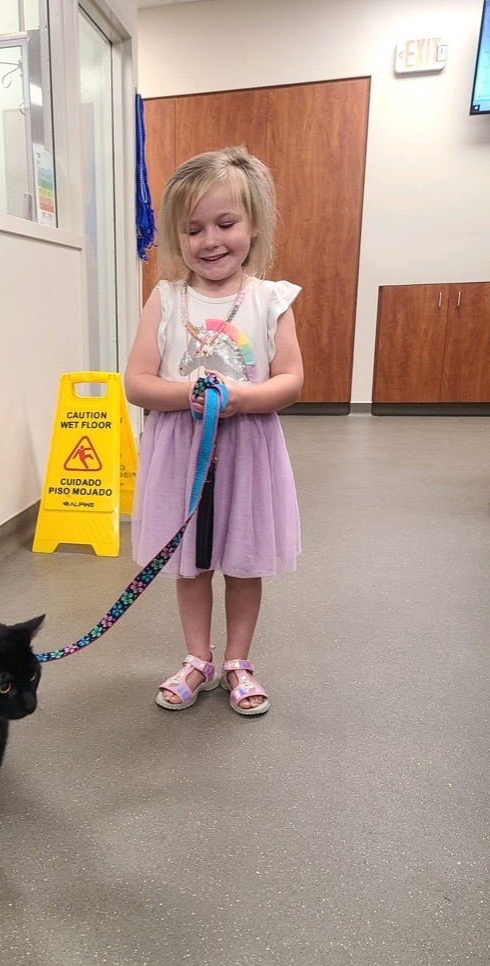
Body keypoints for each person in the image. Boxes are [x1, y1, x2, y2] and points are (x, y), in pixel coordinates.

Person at [124, 145, 303, 716]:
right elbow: (137, 382)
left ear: (253, 225)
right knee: (191, 564)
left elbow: (292, 380)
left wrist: (243, 398)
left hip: (248, 452)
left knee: (244, 561)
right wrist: (191, 394)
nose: (211, 240)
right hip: (182, 454)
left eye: (225, 223)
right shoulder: (167, 298)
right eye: (193, 229)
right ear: (178, 238)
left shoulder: (272, 299)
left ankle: (237, 661)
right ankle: (197, 658)